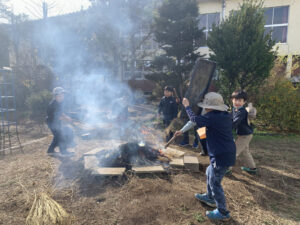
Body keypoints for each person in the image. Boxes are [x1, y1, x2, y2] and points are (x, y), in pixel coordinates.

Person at [174, 92, 236, 220]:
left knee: (215, 183)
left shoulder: (212, 117)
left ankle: (223, 212)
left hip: (221, 155)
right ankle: (210, 197)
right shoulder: (223, 115)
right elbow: (198, 125)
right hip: (224, 151)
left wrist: (187, 106)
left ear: (209, 107)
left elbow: (194, 119)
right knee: (209, 171)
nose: (204, 108)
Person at [230, 90, 257, 174]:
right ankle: (252, 168)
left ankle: (226, 168)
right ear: (232, 100)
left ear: (244, 102)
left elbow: (235, 122)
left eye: (240, 100)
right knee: (245, 152)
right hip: (243, 134)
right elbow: (231, 118)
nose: (237, 102)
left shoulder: (242, 112)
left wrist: (226, 129)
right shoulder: (234, 109)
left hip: (245, 135)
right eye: (235, 100)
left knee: (233, 151)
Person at [46, 87, 75, 155]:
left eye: (62, 95)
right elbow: (57, 117)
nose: (62, 97)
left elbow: (61, 113)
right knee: (61, 136)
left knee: (57, 136)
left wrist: (67, 117)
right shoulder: (53, 104)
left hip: (56, 122)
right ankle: (64, 152)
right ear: (55, 96)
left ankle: (50, 150)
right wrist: (67, 119)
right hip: (52, 122)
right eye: (60, 96)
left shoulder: (59, 102)